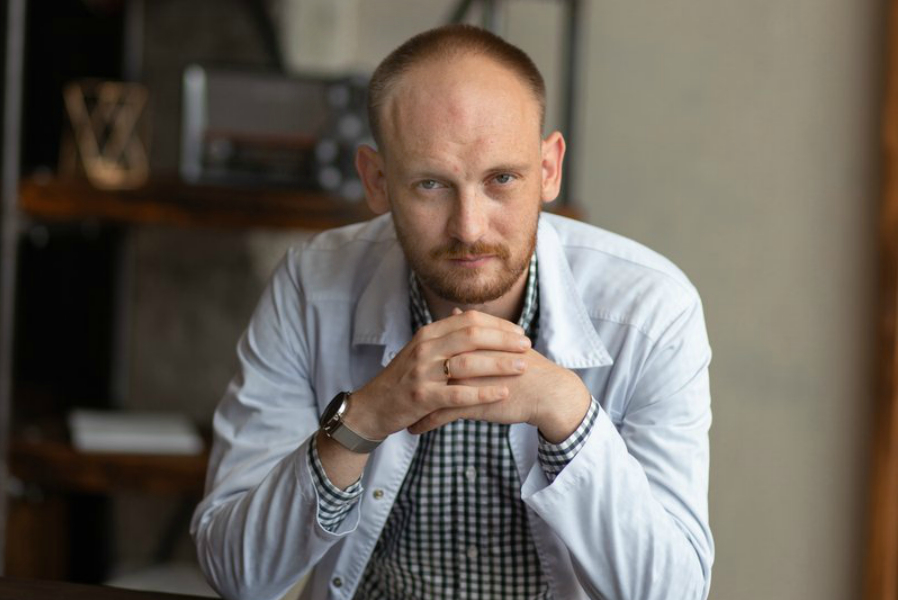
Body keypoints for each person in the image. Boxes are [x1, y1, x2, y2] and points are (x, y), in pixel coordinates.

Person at [191, 24, 713, 600]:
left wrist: (568, 412)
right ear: (376, 181)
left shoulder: (652, 312)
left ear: (548, 170)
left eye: (502, 179)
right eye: (431, 184)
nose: (469, 227)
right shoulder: (309, 286)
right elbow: (236, 575)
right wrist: (363, 418)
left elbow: (673, 593)